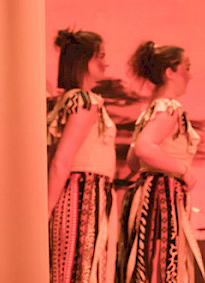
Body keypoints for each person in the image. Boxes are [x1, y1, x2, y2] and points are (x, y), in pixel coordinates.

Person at [117, 41, 204, 283]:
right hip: (163, 196)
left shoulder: (150, 111)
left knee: (149, 261)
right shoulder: (169, 109)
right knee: (163, 263)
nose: (190, 75)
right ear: (170, 72)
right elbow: (143, 149)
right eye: (186, 67)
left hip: (149, 194)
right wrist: (183, 170)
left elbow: (134, 161)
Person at [48, 29, 117, 283]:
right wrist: (45, 211)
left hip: (89, 193)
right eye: (101, 56)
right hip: (83, 195)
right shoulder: (84, 102)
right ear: (84, 60)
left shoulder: (75, 100)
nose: (106, 62)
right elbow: (61, 161)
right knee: (80, 272)